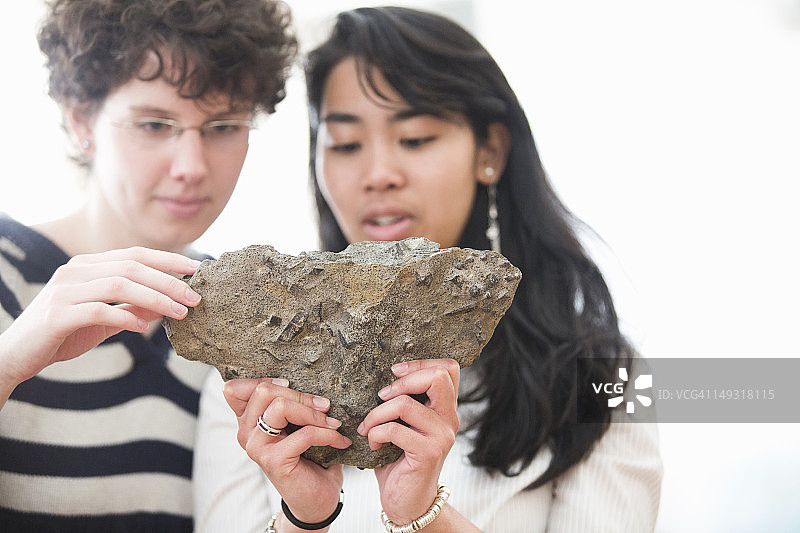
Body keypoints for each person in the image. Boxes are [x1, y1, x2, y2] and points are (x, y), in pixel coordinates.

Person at [193, 6, 662, 533]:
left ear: (490, 151)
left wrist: (423, 516)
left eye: (415, 138)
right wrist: (305, 518)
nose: (378, 174)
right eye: (345, 144)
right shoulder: (252, 378)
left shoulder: (604, 377)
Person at [0, 0, 296, 530]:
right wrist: (10, 363)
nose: (192, 166)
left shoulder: (249, 314)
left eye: (224, 126)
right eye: (156, 124)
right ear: (79, 117)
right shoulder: (7, 271)